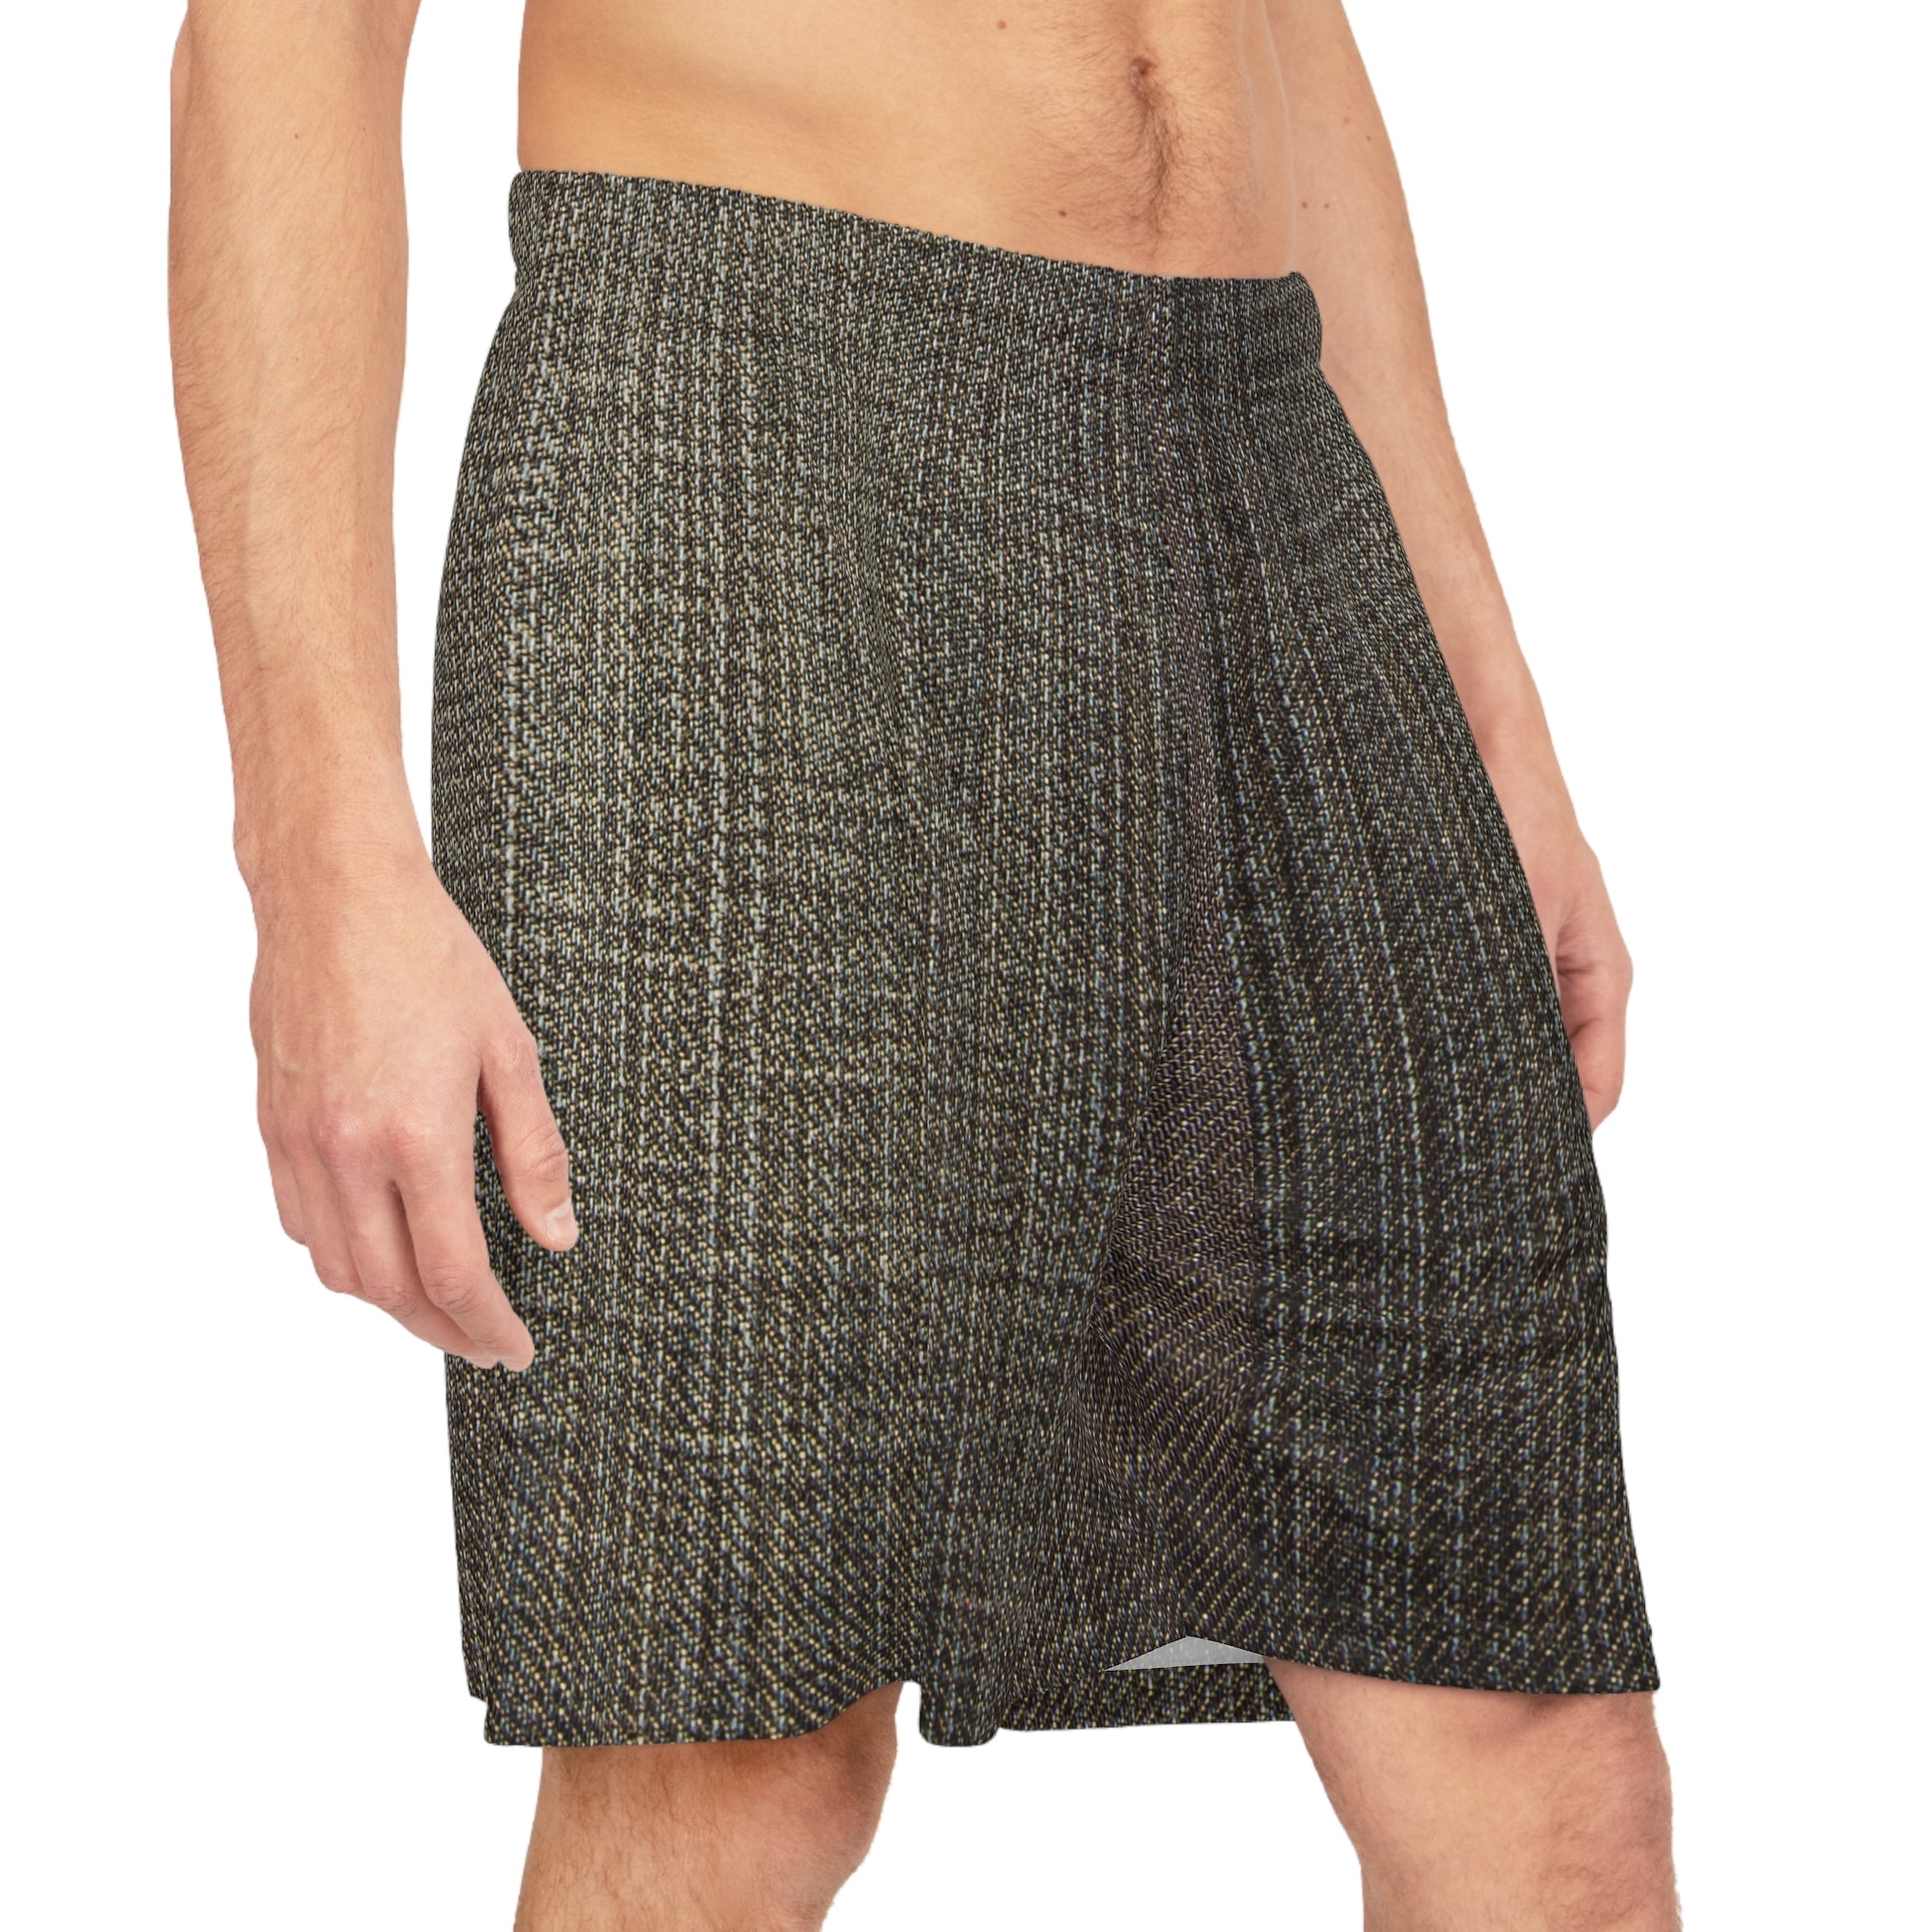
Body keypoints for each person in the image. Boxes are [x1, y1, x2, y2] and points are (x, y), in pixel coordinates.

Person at [168, 1, 1679, 1925]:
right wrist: (318, 853)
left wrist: (1485, 709)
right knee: (734, 1752)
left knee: (1530, 1737)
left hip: (1261, 449)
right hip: (748, 422)